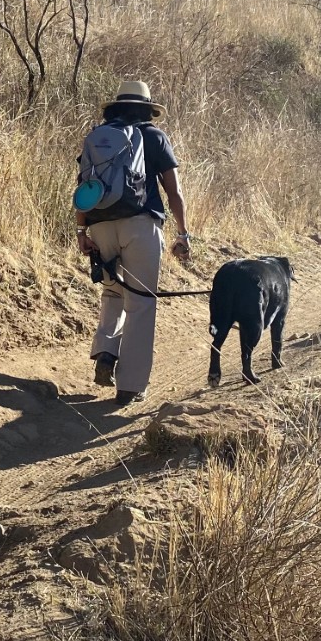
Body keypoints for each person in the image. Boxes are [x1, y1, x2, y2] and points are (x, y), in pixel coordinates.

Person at [76, 79, 190, 404]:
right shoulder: (154, 136)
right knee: (140, 304)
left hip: (99, 226)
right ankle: (130, 386)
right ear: (146, 108)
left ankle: (105, 352)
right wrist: (182, 234)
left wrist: (81, 232)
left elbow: (84, 189)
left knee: (112, 291)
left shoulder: (98, 138)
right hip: (141, 225)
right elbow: (174, 191)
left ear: (117, 105)